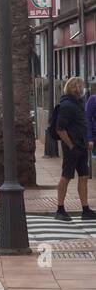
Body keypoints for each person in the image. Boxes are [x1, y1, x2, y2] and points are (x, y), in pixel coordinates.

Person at [53, 76, 96, 222]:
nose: (83, 88)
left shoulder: (78, 103)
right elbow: (60, 128)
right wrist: (70, 145)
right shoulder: (67, 106)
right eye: (81, 86)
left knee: (83, 176)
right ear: (74, 88)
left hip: (81, 146)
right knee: (66, 176)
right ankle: (60, 208)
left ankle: (85, 209)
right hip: (72, 147)